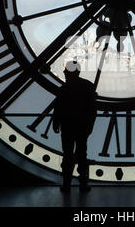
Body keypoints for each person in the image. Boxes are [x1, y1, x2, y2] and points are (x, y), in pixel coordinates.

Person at [52, 61, 97, 193]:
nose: (64, 72)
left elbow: (58, 108)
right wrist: (89, 125)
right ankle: (83, 183)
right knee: (82, 155)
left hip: (68, 126)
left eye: (66, 70)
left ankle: (67, 184)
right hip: (82, 126)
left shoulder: (64, 89)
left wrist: (56, 122)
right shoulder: (88, 87)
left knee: (67, 155)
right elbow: (92, 109)